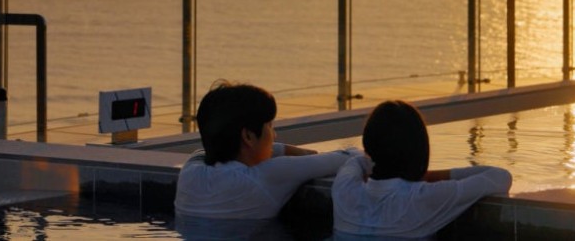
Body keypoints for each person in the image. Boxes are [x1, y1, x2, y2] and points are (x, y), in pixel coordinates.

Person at [174, 80, 355, 220]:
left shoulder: (191, 169)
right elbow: (348, 157)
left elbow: (208, 150)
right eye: (270, 126)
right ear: (248, 137)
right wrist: (308, 155)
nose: (274, 135)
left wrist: (281, 151)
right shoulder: (267, 176)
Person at [331, 100, 512, 239]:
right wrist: (429, 176)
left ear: (369, 146)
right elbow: (500, 177)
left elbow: (355, 159)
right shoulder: (422, 198)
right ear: (419, 149)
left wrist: (379, 161)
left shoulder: (345, 190)